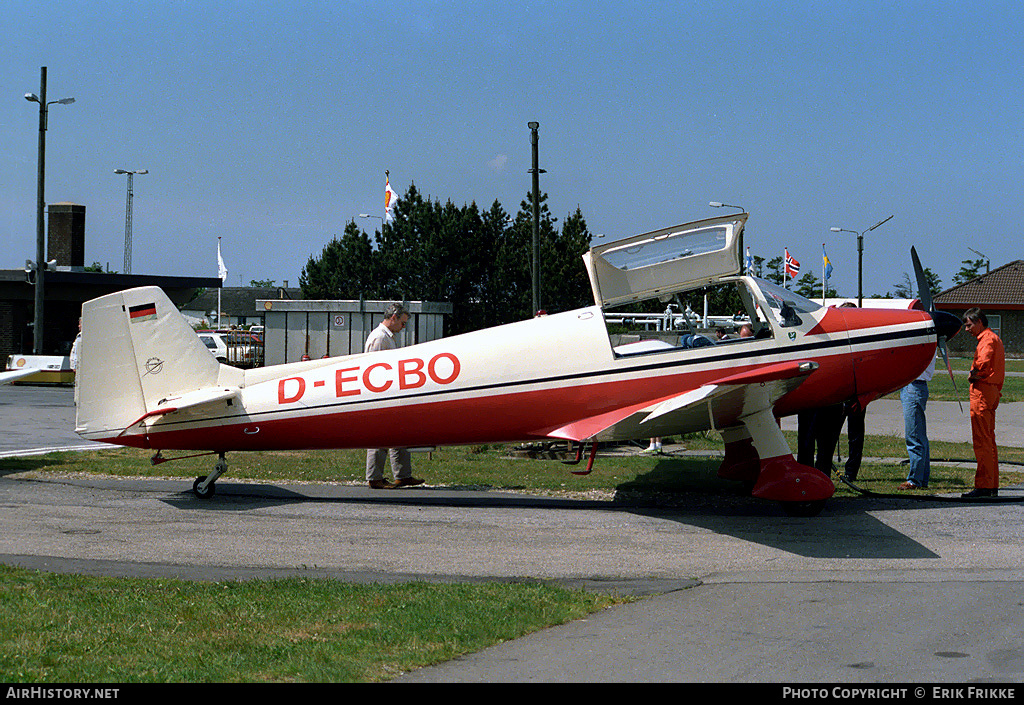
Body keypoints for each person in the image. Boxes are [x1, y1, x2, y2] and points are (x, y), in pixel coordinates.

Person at [364, 303, 425, 490]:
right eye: (403, 323)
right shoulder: (380, 338)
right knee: (380, 436)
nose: (403, 327)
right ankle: (374, 477)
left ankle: (403, 475)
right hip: (380, 395)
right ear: (394, 318)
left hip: (390, 393)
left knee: (398, 434)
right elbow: (373, 370)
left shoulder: (387, 337)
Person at [962, 308, 1005, 498]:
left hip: (983, 392)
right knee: (988, 440)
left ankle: (984, 486)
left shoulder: (987, 339)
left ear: (979, 322)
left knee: (982, 441)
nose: (966, 329)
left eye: (969, 325)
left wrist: (974, 373)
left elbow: (984, 361)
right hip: (991, 392)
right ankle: (991, 485)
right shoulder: (993, 338)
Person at [898, 354, 935, 489]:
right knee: (919, 436)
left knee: (914, 437)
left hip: (914, 385)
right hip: (913, 385)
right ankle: (922, 478)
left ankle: (915, 480)